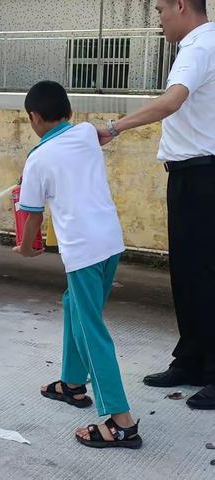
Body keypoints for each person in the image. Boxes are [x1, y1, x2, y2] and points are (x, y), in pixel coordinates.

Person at [96, 0, 215, 410]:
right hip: (193, 176)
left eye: (162, 8)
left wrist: (114, 128)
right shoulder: (201, 45)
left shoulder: (200, 47)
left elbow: (171, 101)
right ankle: (191, 361)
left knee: (204, 274)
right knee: (188, 273)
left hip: (202, 178)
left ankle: (211, 370)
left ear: (182, 5)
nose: (158, 16)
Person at [14, 80, 142, 449]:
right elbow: (98, 135)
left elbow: (32, 217)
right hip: (110, 243)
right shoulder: (85, 133)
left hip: (84, 252)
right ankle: (72, 384)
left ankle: (121, 422)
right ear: (69, 113)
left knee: (91, 330)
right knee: (74, 305)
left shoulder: (37, 159)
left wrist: (24, 249)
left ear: (35, 118)